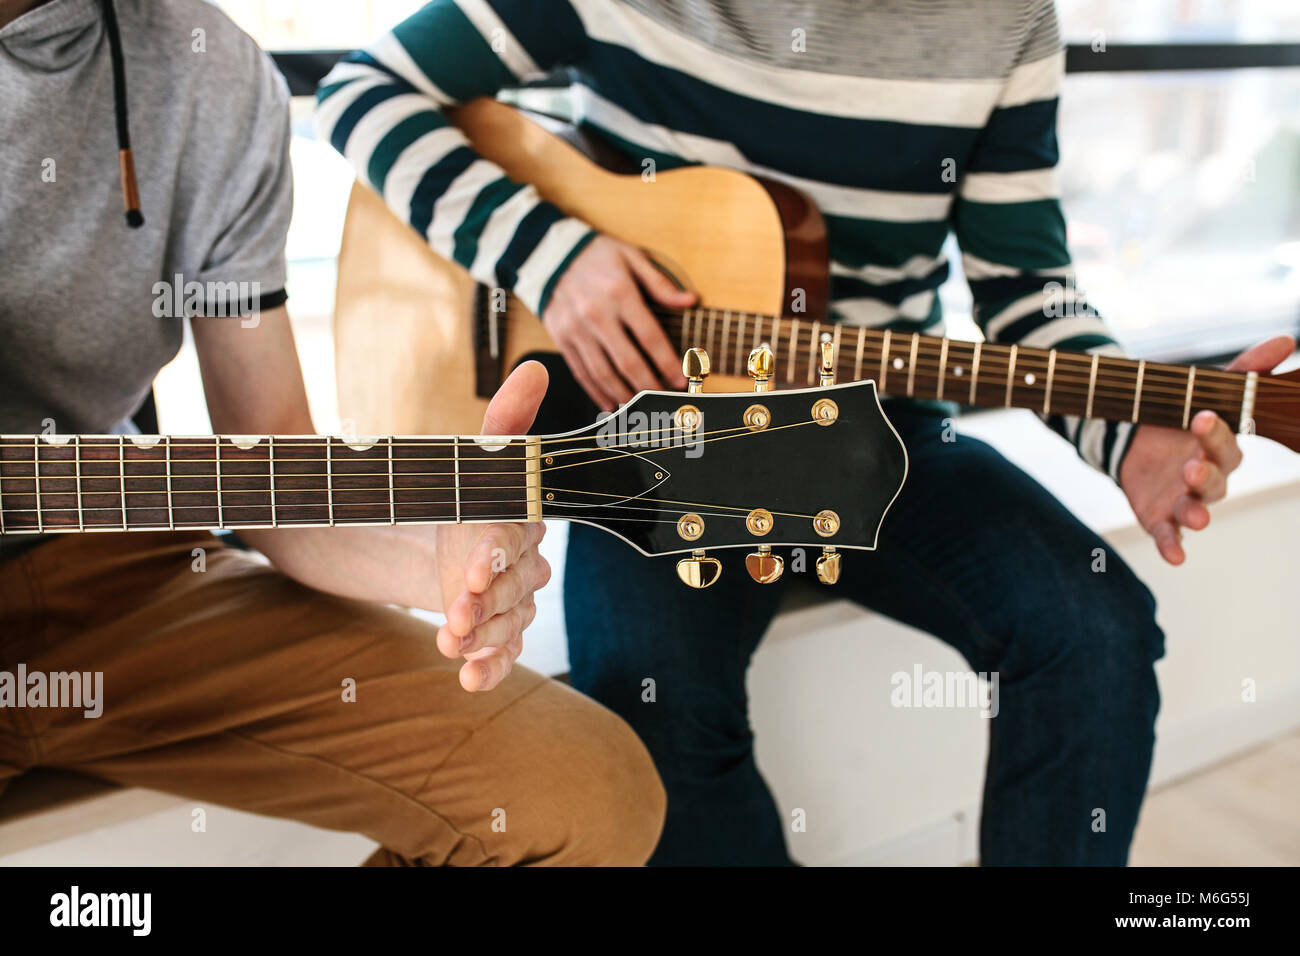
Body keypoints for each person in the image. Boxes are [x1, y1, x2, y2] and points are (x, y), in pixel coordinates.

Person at [318, 0, 1294, 864]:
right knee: (648, 703)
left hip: (875, 419)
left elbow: (1024, 293)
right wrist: (553, 257)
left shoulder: (1005, 21)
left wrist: (1129, 434)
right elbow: (362, 89)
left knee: (1096, 629)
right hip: (650, 429)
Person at [0, 0, 665, 866]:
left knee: (585, 793)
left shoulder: (208, 69)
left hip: (100, 564)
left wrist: (434, 553)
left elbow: (272, 457)